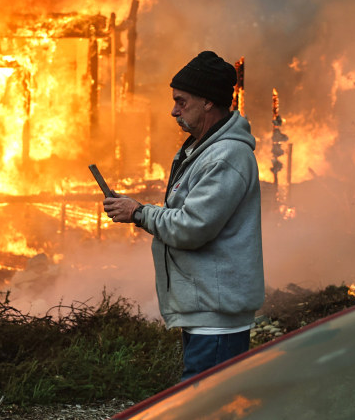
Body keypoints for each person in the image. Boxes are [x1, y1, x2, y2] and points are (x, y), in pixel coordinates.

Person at [103, 50, 264, 381]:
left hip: (216, 316)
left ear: (208, 102)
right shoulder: (201, 150)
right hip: (205, 309)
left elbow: (191, 227)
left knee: (206, 407)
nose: (173, 110)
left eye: (181, 101)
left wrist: (138, 213)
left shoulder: (226, 157)